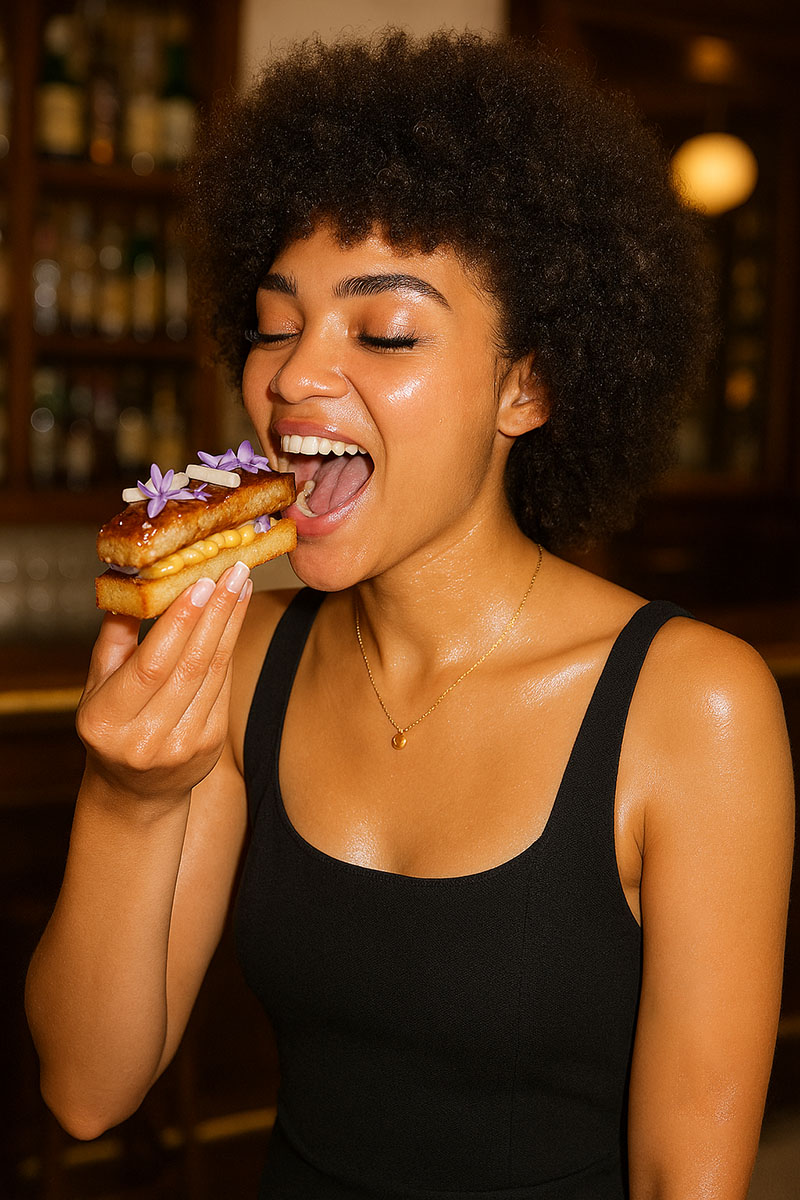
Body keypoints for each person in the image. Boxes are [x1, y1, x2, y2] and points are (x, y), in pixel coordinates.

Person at [26, 29, 793, 1200]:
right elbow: (87, 1088)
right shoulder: (243, 657)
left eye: (383, 333)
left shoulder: (691, 703)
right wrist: (128, 802)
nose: (290, 379)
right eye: (275, 325)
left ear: (526, 386)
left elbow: (683, 1178)